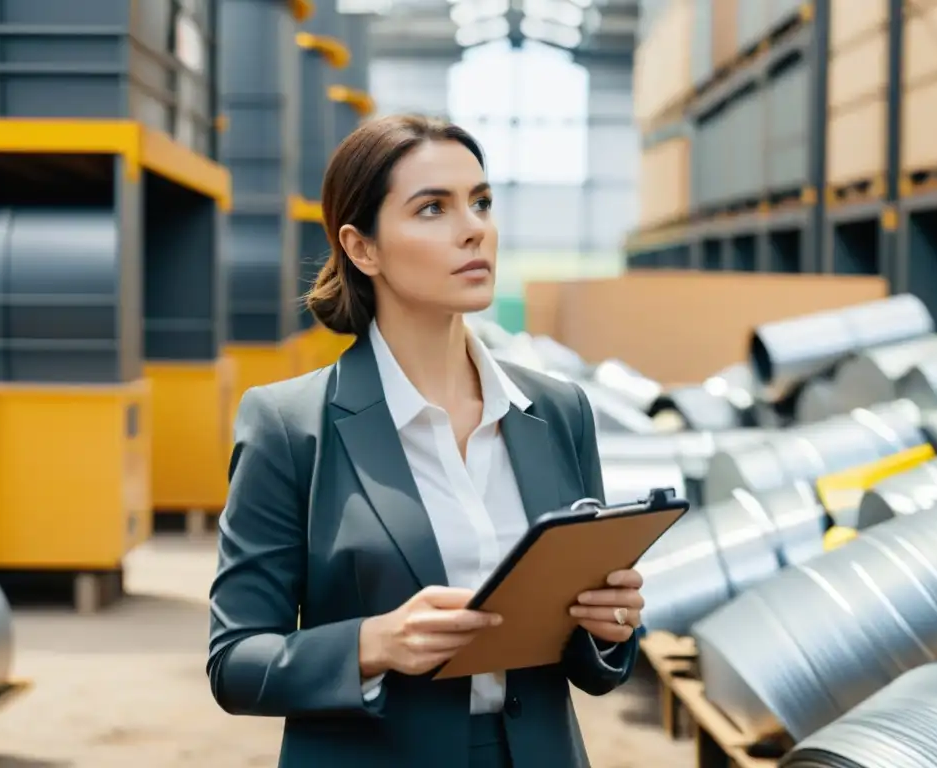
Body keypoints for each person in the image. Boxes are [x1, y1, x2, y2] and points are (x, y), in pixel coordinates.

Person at [207, 114, 646, 768]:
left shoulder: (557, 412)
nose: (474, 228)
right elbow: (236, 662)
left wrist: (610, 628)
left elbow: (594, 667)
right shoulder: (289, 426)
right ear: (362, 248)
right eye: (433, 208)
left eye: (481, 202)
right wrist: (374, 644)